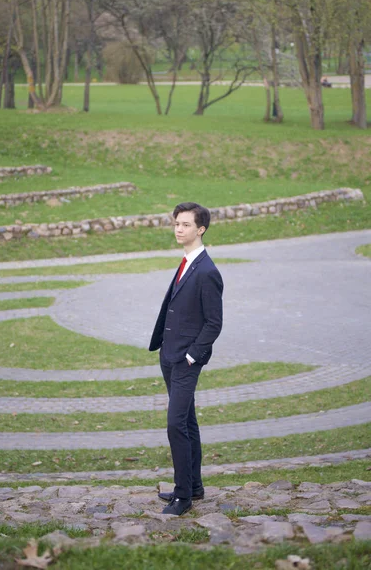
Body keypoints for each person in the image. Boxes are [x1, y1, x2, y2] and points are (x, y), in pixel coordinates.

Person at [149, 202, 224, 516]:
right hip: (169, 354)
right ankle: (194, 486)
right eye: (177, 224)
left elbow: (213, 323)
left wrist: (192, 355)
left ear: (200, 229)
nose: (179, 229)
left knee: (175, 424)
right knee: (188, 422)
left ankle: (183, 497)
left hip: (186, 360)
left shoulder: (207, 271)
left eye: (185, 225)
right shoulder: (186, 263)